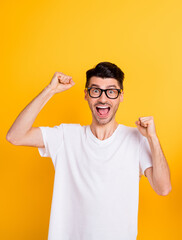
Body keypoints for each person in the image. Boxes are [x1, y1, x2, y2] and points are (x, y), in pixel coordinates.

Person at [6, 62, 171, 240]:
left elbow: (163, 188)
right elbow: (15, 136)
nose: (103, 99)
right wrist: (50, 90)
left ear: (121, 96)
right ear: (86, 94)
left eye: (111, 91)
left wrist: (153, 138)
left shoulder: (136, 139)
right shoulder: (66, 136)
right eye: (95, 90)